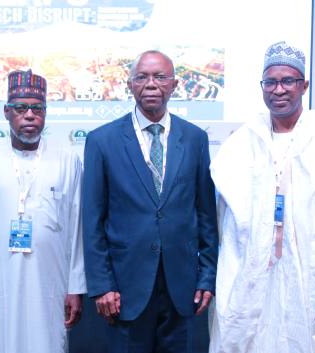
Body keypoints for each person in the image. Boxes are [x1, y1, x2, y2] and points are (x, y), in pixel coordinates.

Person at [208, 42, 315, 353]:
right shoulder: (241, 142)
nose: (278, 90)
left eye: (288, 81)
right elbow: (224, 222)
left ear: (304, 85)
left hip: (313, 275)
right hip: (253, 278)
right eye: (270, 82)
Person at [82, 50, 218, 353]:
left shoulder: (195, 138)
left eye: (160, 76)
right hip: (125, 290)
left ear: (175, 84)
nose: (151, 84)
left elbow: (206, 214)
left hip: (181, 287)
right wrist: (102, 285)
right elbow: (92, 221)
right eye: (142, 77)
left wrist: (207, 277)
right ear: (130, 85)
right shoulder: (102, 140)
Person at [0, 69, 86, 353]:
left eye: (37, 108)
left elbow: (77, 228)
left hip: (51, 282)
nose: (29, 115)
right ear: (6, 112)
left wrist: (76, 287)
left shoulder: (67, 159)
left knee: (50, 342)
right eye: (21, 108)